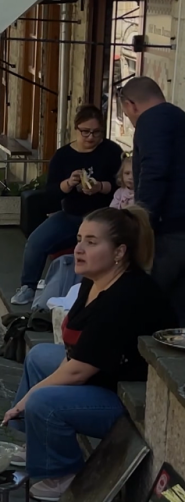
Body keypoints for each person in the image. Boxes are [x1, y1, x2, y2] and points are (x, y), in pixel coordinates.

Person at [2, 206, 176, 501]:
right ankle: (36, 443)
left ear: (120, 252)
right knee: (41, 355)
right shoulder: (94, 281)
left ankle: (65, 475)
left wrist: (27, 401)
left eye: (92, 242)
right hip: (103, 376)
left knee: (45, 401)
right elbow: (76, 354)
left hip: (128, 398)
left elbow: (79, 370)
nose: (79, 248)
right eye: (80, 238)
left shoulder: (126, 296)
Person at [10, 105, 123, 305]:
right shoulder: (63, 155)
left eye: (97, 133)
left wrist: (99, 187)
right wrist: (69, 184)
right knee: (36, 242)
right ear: (76, 129)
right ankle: (28, 286)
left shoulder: (112, 151)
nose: (91, 137)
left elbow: (120, 184)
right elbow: (51, 192)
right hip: (71, 215)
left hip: (103, 216)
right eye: (85, 132)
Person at [119, 76, 185, 323]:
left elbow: (154, 173)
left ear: (130, 105)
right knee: (177, 306)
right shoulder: (178, 117)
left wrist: (141, 223)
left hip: (168, 230)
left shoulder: (151, 122)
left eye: (127, 113)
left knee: (144, 299)